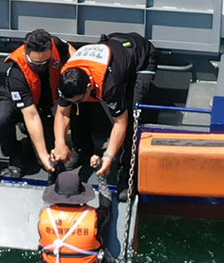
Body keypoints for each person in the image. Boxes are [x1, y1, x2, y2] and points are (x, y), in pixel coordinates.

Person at [51, 32, 157, 188]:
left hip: (140, 56)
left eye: (79, 97)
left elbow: (120, 123)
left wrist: (109, 156)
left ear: (89, 87)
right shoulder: (67, 79)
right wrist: (60, 142)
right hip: (114, 48)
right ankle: (82, 150)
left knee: (132, 115)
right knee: (77, 106)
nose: (76, 101)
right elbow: (62, 113)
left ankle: (126, 171)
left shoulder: (109, 85)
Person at [0, 28, 76, 179]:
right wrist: (43, 155)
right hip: (18, 104)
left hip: (43, 104)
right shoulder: (17, 74)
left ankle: (32, 139)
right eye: (36, 63)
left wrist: (77, 68)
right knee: (0, 119)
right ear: (27, 53)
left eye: (45, 62)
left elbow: (69, 49)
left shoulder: (55, 44)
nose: (41, 67)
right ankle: (14, 153)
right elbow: (31, 115)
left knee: (50, 160)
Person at [37, 169, 104, 263]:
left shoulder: (44, 216)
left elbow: (47, 203)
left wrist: (51, 173)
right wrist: (102, 176)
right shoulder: (95, 218)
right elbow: (107, 206)